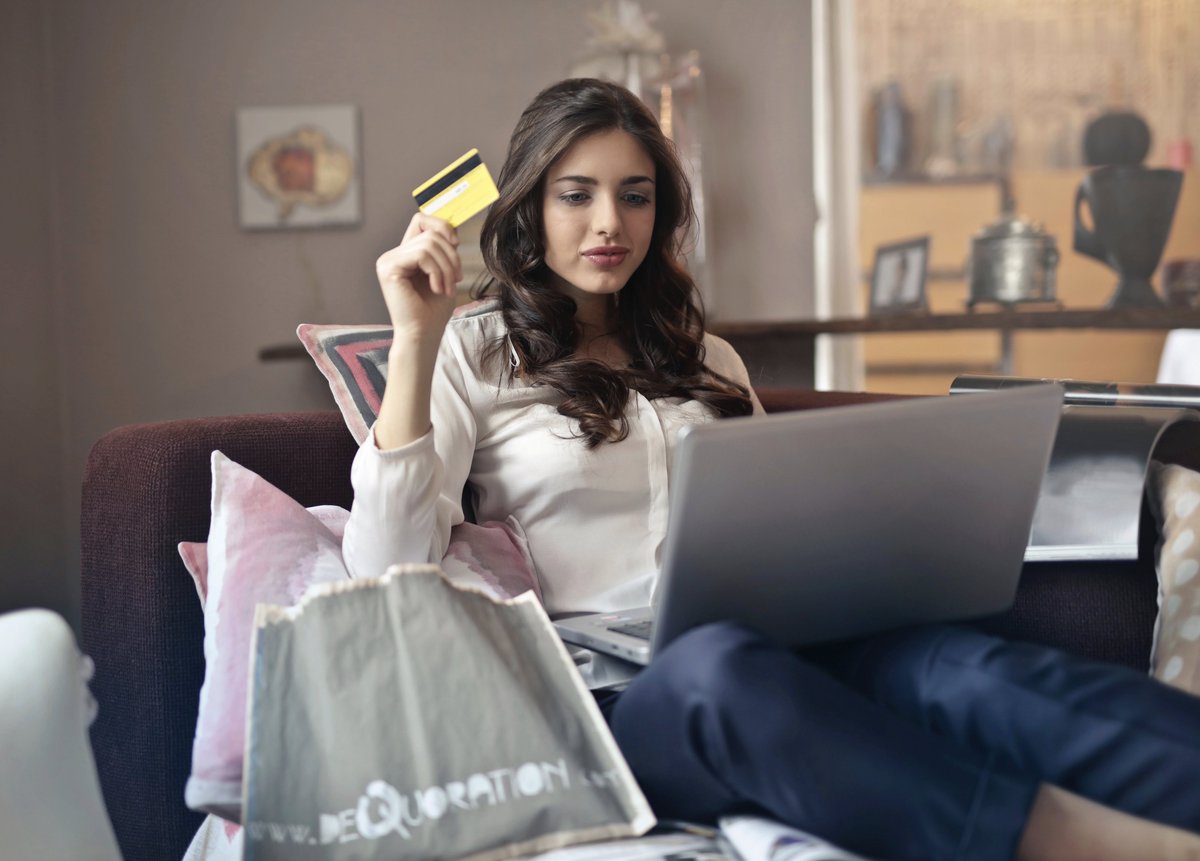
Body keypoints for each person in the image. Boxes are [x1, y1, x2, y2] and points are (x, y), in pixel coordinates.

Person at [343, 78, 1200, 861]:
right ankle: (1081, 847)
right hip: (624, 708)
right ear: (530, 206)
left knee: (955, 665)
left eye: (634, 196)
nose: (611, 223)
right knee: (719, 673)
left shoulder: (704, 356)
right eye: (578, 195)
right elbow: (384, 566)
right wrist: (415, 341)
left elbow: (780, 516)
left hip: (788, 646)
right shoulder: (474, 353)